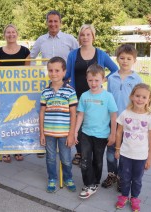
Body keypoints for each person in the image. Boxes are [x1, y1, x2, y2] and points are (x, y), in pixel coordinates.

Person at [65, 24, 118, 166]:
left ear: (93, 36)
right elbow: (67, 74)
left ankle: (91, 152)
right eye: (82, 35)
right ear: (79, 37)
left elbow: (115, 69)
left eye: (88, 34)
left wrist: (104, 79)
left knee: (92, 123)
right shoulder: (73, 54)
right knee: (79, 125)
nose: (85, 37)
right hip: (77, 95)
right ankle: (80, 152)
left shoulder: (100, 54)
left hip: (95, 96)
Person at [31, 10, 78, 158]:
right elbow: (31, 57)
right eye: (50, 21)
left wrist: (70, 75)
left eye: (55, 21)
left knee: (67, 112)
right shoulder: (41, 40)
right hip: (46, 83)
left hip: (65, 82)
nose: (53, 24)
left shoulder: (69, 39)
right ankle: (46, 141)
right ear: (46, 22)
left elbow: (77, 57)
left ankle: (71, 144)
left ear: (60, 22)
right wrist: (34, 75)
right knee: (47, 110)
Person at [102, 44, 142, 190]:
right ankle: (112, 174)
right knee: (111, 149)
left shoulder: (137, 79)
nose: (125, 61)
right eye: (122, 58)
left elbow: (139, 100)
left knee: (124, 150)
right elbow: (108, 98)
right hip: (113, 121)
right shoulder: (112, 78)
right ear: (117, 59)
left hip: (129, 122)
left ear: (134, 60)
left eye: (129, 58)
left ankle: (122, 177)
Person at [75, 64, 117, 199]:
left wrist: (113, 133)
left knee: (98, 161)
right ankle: (89, 184)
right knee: (85, 159)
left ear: (103, 80)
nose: (93, 83)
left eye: (97, 80)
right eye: (90, 80)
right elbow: (80, 115)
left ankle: (95, 182)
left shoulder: (108, 96)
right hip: (86, 134)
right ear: (86, 80)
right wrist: (75, 131)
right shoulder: (84, 96)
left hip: (102, 135)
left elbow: (113, 115)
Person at [114, 83, 151, 212]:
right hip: (125, 153)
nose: (140, 99)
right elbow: (118, 132)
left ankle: (134, 197)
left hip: (141, 156)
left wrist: (150, 158)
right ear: (132, 96)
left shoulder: (149, 118)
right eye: (137, 96)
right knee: (125, 177)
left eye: (144, 97)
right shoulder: (125, 113)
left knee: (137, 179)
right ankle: (124, 196)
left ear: (149, 100)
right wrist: (117, 149)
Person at [39, 56, 77, 193]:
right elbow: (42, 113)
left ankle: (68, 178)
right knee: (50, 158)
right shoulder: (45, 92)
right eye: (50, 70)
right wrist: (42, 133)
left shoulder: (70, 91)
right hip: (49, 133)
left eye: (57, 70)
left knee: (66, 159)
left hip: (65, 134)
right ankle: (52, 179)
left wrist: (71, 134)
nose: (53, 73)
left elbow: (74, 114)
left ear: (64, 72)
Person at [0, 24, 30, 162]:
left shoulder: (25, 51)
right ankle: (5, 150)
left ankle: (18, 149)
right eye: (8, 32)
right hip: (4, 93)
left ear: (17, 34)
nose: (11, 34)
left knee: (19, 121)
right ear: (4, 35)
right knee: (5, 120)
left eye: (13, 32)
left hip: (19, 93)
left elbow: (28, 73)